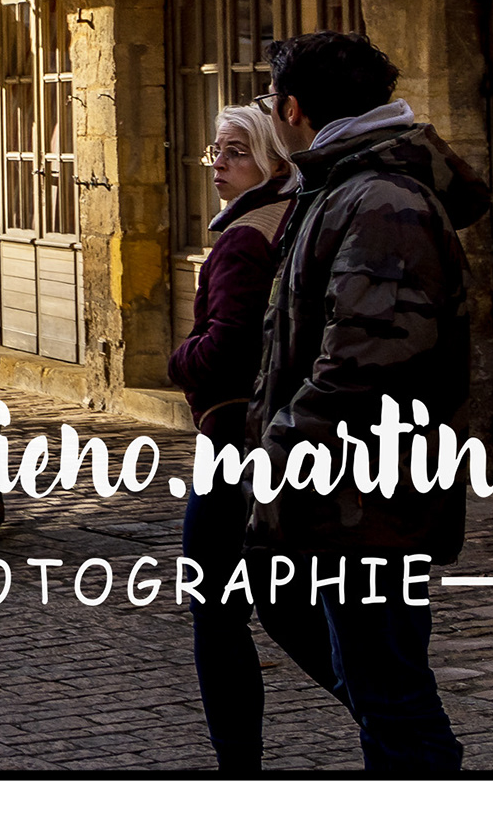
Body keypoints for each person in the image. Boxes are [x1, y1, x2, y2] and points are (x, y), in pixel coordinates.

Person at [250, 30, 490, 772]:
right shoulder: (343, 182)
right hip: (335, 490)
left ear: (292, 109)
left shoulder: (381, 197)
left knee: (387, 682)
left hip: (365, 496)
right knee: (363, 666)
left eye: (271, 103)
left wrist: (278, 448)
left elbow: (369, 358)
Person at [167, 99, 344, 769]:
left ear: (272, 157)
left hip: (234, 447)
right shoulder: (291, 219)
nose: (218, 162)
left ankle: (239, 764)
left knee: (218, 609)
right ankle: (388, 714)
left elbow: (225, 349)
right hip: (277, 437)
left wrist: (178, 360)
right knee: (284, 603)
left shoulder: (245, 237)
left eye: (236, 150)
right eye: (215, 149)